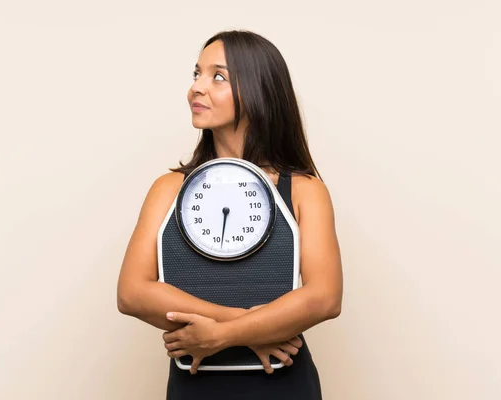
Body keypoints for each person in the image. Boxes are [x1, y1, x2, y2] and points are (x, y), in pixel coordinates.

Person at [117, 30, 343, 400]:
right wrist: (248, 326)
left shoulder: (303, 190)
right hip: (195, 383)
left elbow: (325, 297)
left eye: (217, 77)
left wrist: (222, 336)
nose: (196, 88)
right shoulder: (168, 189)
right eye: (196, 74)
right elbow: (132, 292)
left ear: (257, 91)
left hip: (283, 383)